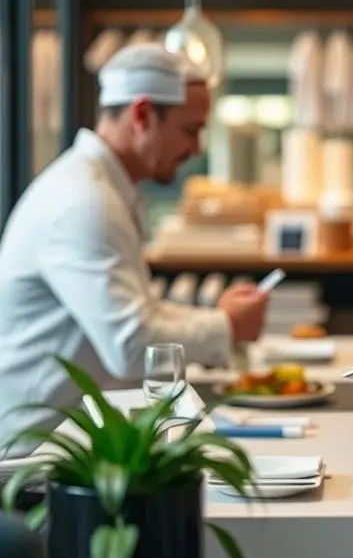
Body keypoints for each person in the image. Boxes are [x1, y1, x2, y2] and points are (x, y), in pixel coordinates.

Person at [0, 43, 269, 454]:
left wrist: (219, 318)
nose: (196, 149)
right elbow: (130, 348)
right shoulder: (84, 202)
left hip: (72, 441)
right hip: (33, 461)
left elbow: (139, 311)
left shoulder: (101, 188)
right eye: (190, 129)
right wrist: (226, 326)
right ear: (142, 114)